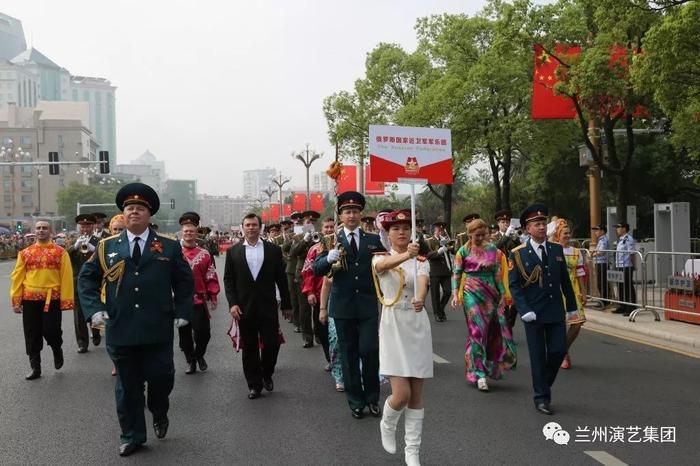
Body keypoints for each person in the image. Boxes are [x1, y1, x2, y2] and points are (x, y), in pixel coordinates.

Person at [78, 182, 194, 456]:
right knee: (127, 386)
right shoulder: (107, 247)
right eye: (129, 208)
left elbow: (184, 282)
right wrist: (94, 308)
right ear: (123, 213)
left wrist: (183, 311)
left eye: (140, 208)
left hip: (157, 327)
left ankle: (159, 408)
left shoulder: (168, 246)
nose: (134, 212)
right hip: (121, 327)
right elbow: (87, 279)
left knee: (161, 378)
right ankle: (132, 435)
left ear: (149, 214)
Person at [313, 191, 385, 420]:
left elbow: (384, 265)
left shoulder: (373, 240)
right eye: (347, 211)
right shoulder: (329, 241)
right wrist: (327, 258)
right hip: (343, 306)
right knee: (349, 355)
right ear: (340, 216)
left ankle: (372, 398)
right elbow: (317, 269)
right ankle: (355, 402)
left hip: (366, 306)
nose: (351, 215)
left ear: (361, 214)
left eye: (355, 211)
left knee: (370, 351)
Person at [372, 210, 432, 466]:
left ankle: (413, 451)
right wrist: (405, 255)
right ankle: (388, 422)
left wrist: (420, 297)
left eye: (406, 227)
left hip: (416, 324)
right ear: (388, 233)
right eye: (396, 228)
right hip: (393, 324)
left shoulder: (420, 259)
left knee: (417, 393)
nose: (402, 232)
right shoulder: (379, 257)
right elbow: (383, 268)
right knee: (401, 394)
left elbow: (422, 281)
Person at [508, 203, 577, 415]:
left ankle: (543, 382)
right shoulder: (517, 254)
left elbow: (565, 281)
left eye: (543, 223)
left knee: (558, 350)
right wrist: (524, 309)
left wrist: (572, 308)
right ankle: (541, 398)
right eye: (536, 224)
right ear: (527, 228)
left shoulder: (556, 250)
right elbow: (514, 285)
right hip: (533, 314)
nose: (540, 227)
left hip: (555, 311)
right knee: (538, 356)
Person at [223, 213, 291, 400]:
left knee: (271, 344)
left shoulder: (273, 250)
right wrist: (232, 304)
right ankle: (254, 384)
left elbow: (281, 279)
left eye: (254, 225)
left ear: (260, 227)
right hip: (244, 307)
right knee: (250, 348)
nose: (251, 228)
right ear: (242, 227)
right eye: (248, 225)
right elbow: (228, 281)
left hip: (268, 305)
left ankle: (267, 372)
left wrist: (287, 305)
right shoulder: (233, 252)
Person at [450, 218, 516, 391]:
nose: (481, 238)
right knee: (477, 331)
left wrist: (502, 293)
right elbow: (456, 274)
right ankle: (479, 375)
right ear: (470, 234)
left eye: (483, 234)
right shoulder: (463, 251)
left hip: (490, 293)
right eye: (477, 235)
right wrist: (455, 293)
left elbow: (497, 273)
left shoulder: (492, 249)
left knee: (491, 331)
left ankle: (484, 364)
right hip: (471, 292)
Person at [10, 219, 74, 380]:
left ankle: (56, 348)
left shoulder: (61, 252)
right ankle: (35, 366)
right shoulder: (25, 253)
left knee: (51, 330)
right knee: (32, 333)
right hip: (30, 299)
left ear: (50, 231)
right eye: (38, 228)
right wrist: (16, 300)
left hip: (51, 298)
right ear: (34, 231)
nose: (41, 230)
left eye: (44, 228)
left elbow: (66, 277)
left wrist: (66, 299)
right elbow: (17, 278)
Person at [178, 212, 220, 374]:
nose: (188, 234)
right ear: (182, 232)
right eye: (186, 231)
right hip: (181, 301)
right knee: (184, 335)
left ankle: (199, 354)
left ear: (197, 233)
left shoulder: (204, 254)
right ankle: (190, 360)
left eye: (192, 231)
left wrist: (213, 295)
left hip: (198, 300)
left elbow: (211, 275)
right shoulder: (175, 252)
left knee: (204, 333)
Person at [551, 220, 587, 369]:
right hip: (557, 291)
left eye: (568, 233)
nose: (567, 235)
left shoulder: (576, 252)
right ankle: (563, 355)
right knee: (559, 324)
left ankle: (562, 350)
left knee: (577, 324)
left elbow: (579, 273)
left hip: (573, 291)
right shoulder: (552, 250)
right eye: (564, 233)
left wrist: (584, 292)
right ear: (557, 235)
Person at [301, 217, 336, 365]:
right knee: (322, 329)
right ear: (321, 230)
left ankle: (339, 361)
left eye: (331, 227)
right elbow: (308, 272)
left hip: (341, 294)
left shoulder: (343, 246)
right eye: (326, 227)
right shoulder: (314, 249)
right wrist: (309, 292)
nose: (329, 230)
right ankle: (330, 358)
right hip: (320, 295)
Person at [68, 214, 102, 353]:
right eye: (82, 226)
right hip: (77, 282)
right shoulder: (73, 241)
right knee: (78, 315)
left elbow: (106, 257)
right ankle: (82, 343)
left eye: (88, 225)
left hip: (94, 282)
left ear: (93, 226)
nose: (85, 228)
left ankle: (96, 332)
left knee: (94, 310)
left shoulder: (100, 241)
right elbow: (65, 257)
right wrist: (74, 247)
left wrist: (94, 249)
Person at [291, 210, 320, 347]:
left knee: (319, 308)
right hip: (302, 276)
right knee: (304, 309)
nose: (311, 224)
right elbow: (292, 253)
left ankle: (319, 334)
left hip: (318, 276)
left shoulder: (320, 236)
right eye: (308, 222)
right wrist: (305, 239)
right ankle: (307, 337)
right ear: (303, 223)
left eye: (313, 222)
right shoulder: (297, 237)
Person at [493, 209, 521, 330]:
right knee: (502, 300)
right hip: (500, 272)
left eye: (507, 221)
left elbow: (520, 250)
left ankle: (509, 323)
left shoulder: (512, 236)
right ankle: (505, 327)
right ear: (498, 223)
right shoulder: (494, 236)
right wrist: (505, 236)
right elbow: (494, 249)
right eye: (503, 222)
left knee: (515, 300)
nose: (506, 224)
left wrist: (516, 239)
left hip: (513, 271)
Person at [319, 275, 344, 392]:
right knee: (336, 339)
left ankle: (357, 374)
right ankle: (339, 374)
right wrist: (322, 309)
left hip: (357, 305)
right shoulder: (335, 258)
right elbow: (326, 283)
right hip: (336, 304)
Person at [425, 221, 453, 322]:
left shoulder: (446, 240)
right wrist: (439, 251)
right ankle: (437, 314)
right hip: (435, 270)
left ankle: (440, 309)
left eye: (442, 230)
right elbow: (428, 255)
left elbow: (453, 251)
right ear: (434, 230)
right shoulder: (429, 241)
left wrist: (449, 245)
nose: (440, 231)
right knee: (435, 294)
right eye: (438, 229)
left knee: (448, 291)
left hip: (446, 270)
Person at [282, 211, 303, 331]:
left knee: (304, 300)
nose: (298, 221)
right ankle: (297, 322)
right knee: (294, 298)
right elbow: (284, 247)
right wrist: (293, 240)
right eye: (296, 220)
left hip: (305, 269)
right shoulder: (289, 233)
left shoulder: (309, 232)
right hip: (291, 269)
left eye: (300, 220)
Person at [614, 222, 637, 316]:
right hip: (620, 266)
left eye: (618, 227)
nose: (617, 229)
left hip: (626, 266)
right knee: (621, 287)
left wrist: (634, 265)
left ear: (624, 229)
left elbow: (632, 253)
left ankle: (630, 307)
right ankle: (622, 306)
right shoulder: (621, 239)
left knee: (627, 287)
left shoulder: (628, 239)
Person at [591, 224, 609, 302]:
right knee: (601, 282)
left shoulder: (603, 240)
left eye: (597, 230)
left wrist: (592, 254)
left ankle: (605, 301)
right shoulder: (601, 240)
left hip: (602, 263)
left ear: (602, 231)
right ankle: (603, 300)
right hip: (599, 262)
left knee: (602, 283)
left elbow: (601, 252)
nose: (595, 232)